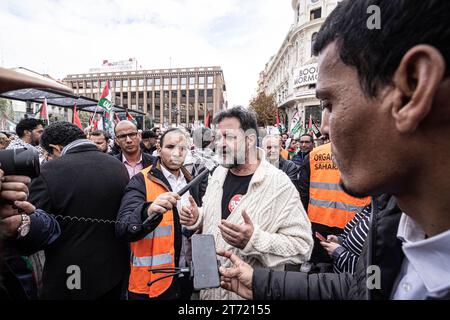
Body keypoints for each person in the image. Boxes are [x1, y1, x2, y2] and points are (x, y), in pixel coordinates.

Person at [218, 0, 450, 300]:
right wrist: (260, 283)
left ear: (413, 88)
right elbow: (357, 290)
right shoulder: (392, 226)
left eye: (329, 104)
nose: (323, 128)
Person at [180, 106, 313, 300]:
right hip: (210, 293)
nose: (220, 144)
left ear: (250, 139)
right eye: (217, 138)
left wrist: (253, 240)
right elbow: (217, 217)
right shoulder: (218, 173)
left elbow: (303, 247)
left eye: (229, 137)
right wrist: (198, 216)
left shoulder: (279, 184)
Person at [28, 121, 130, 299]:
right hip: (114, 272)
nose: (47, 158)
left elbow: (34, 228)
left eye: (47, 154)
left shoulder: (47, 172)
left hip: (70, 275)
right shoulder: (118, 166)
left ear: (55, 148)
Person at [116, 128, 204, 300]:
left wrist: (197, 220)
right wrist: (147, 210)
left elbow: (196, 225)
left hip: (186, 275)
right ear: (158, 148)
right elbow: (123, 227)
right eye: (170, 147)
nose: (176, 153)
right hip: (151, 283)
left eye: (182, 148)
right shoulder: (141, 180)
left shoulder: (192, 182)